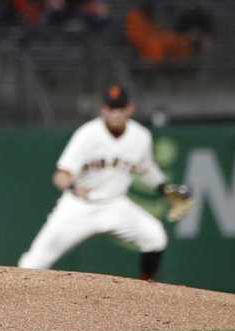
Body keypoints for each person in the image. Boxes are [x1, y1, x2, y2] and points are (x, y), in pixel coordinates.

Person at [17, 85, 194, 280]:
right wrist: (73, 187)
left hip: (116, 205)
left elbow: (146, 169)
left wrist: (163, 189)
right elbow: (60, 175)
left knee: (155, 237)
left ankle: (146, 289)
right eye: (111, 108)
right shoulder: (87, 134)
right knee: (32, 264)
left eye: (120, 108)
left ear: (130, 109)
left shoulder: (141, 136)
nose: (115, 113)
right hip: (80, 207)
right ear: (103, 110)